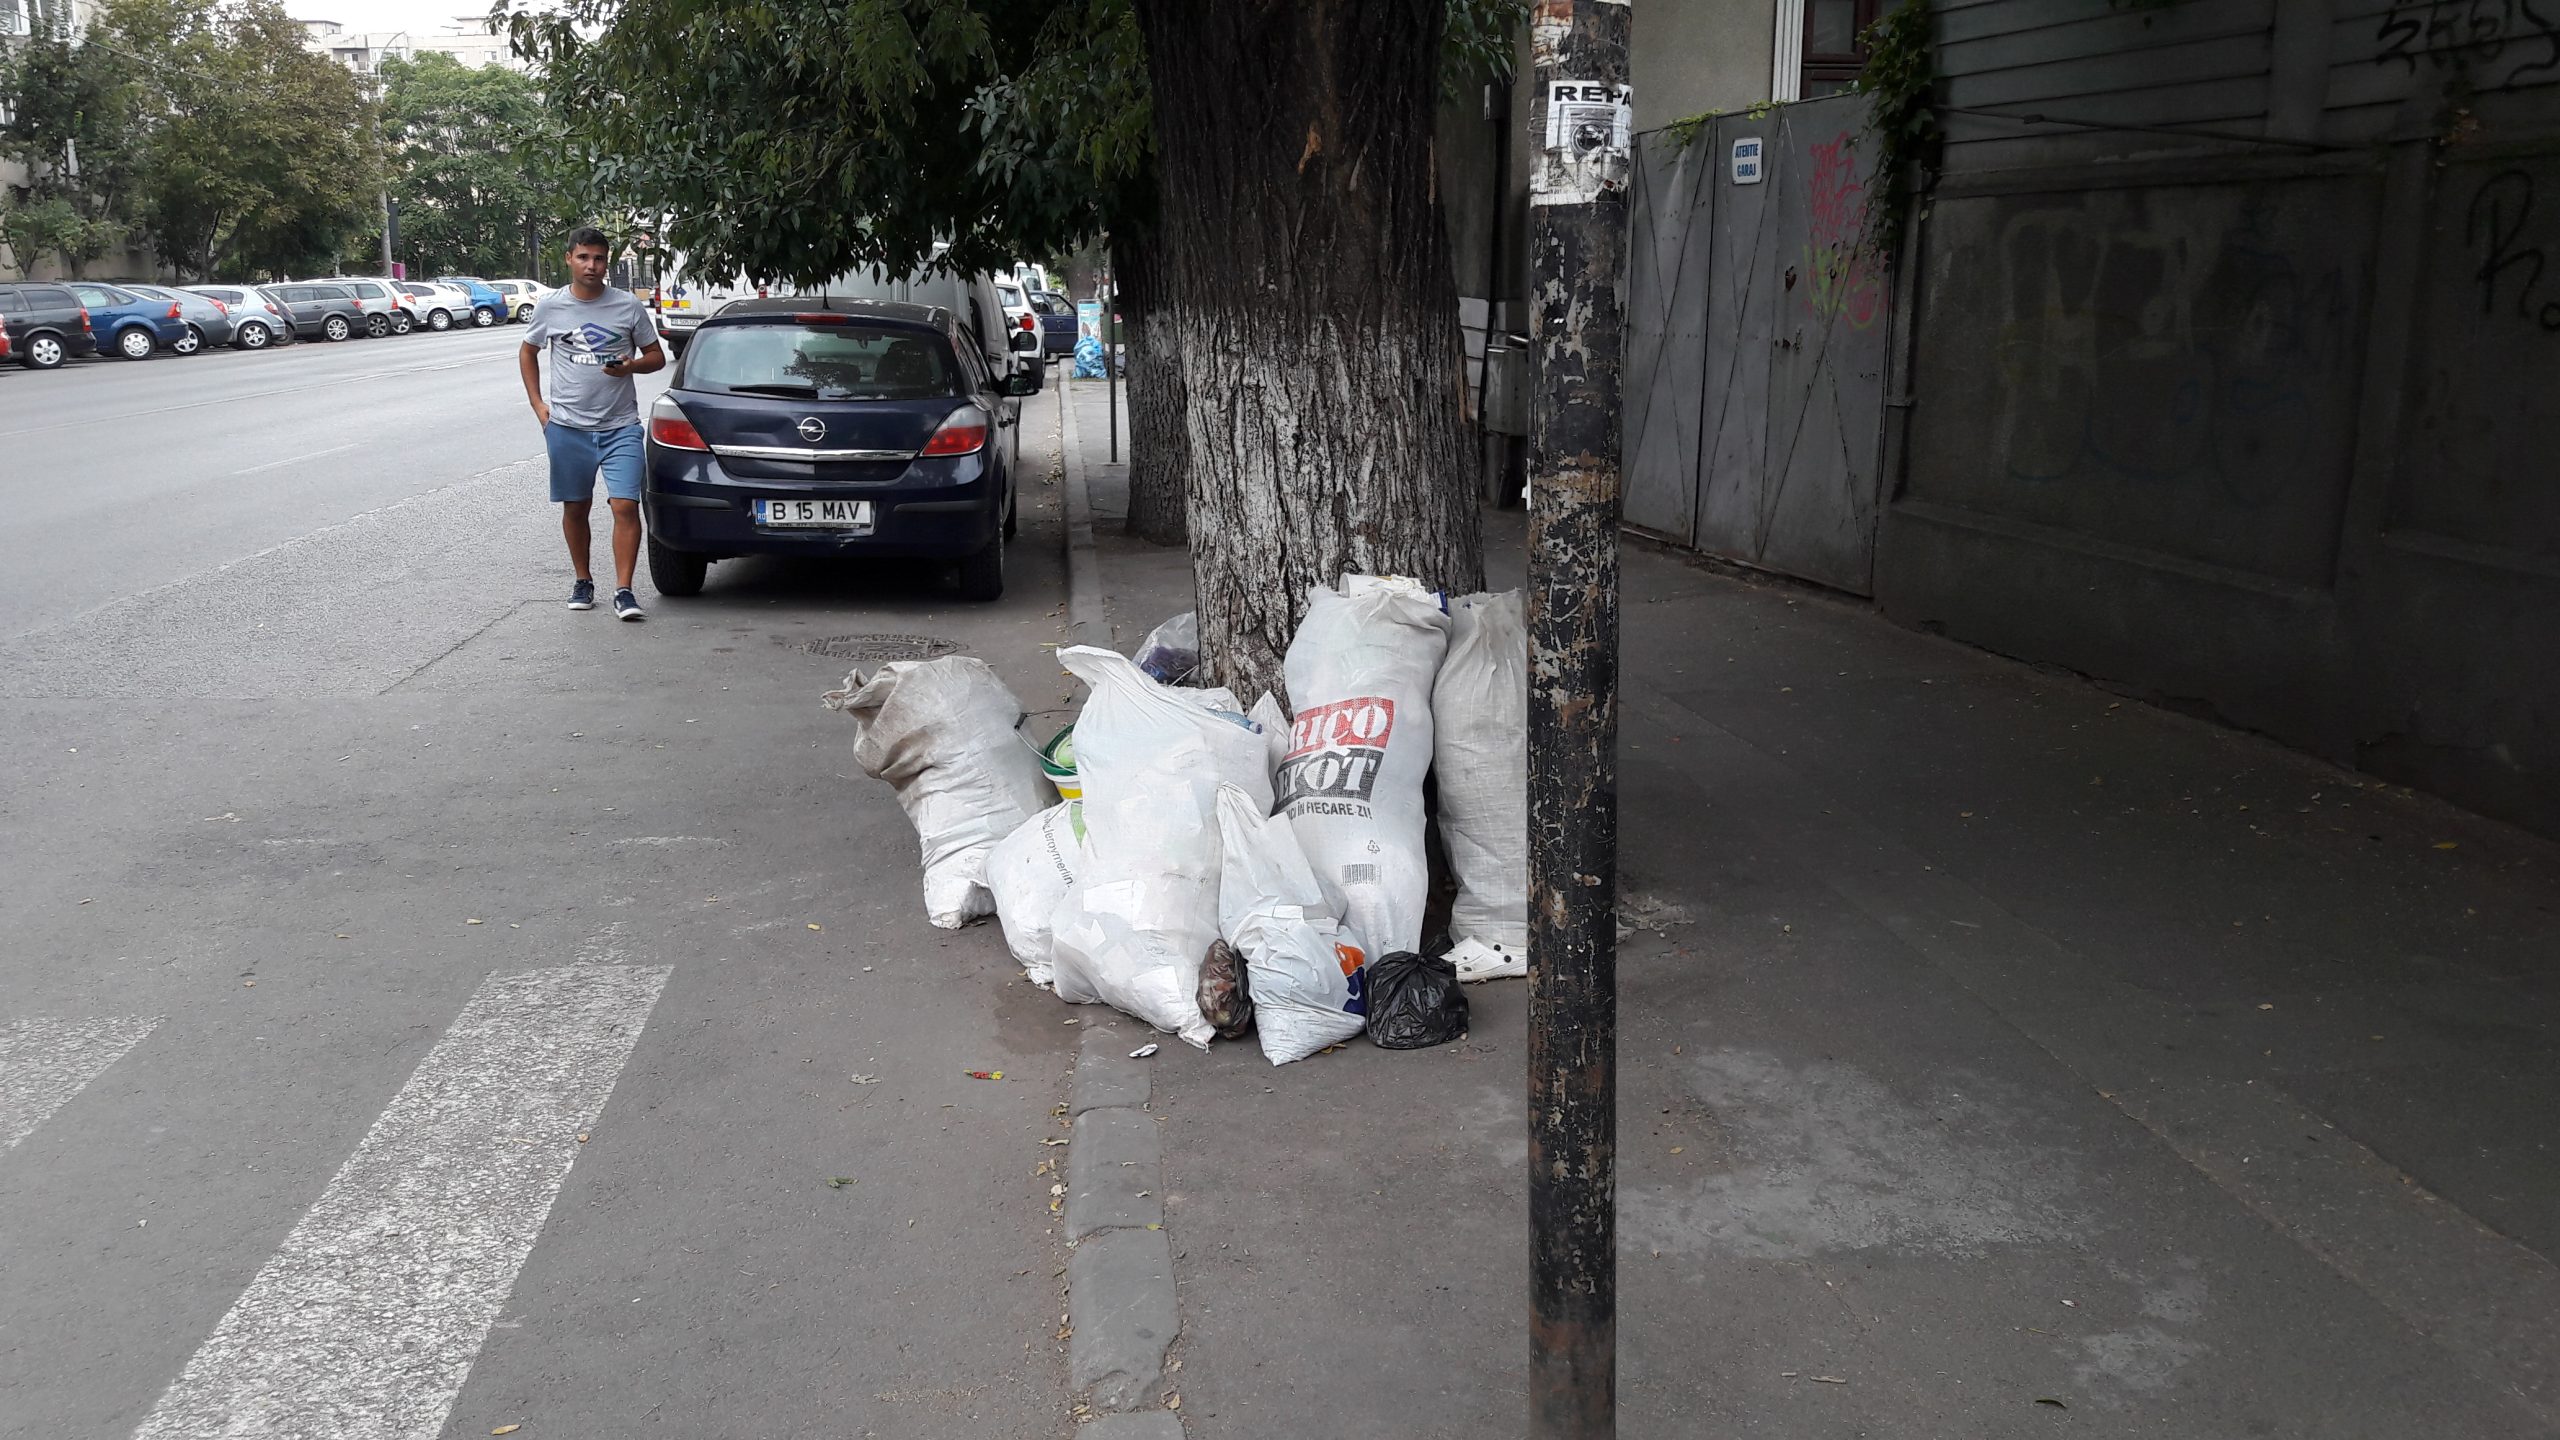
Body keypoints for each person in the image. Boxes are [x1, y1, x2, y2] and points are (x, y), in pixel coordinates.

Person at [517, 226, 666, 620]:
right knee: (575, 507)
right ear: (569, 259)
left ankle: (624, 591)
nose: (592, 265)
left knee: (625, 506)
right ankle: (583, 580)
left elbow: (657, 357)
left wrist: (631, 365)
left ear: (607, 262)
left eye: (599, 258)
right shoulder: (551, 306)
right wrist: (538, 405)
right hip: (567, 427)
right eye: (583, 257)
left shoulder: (627, 307)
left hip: (620, 427)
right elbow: (528, 351)